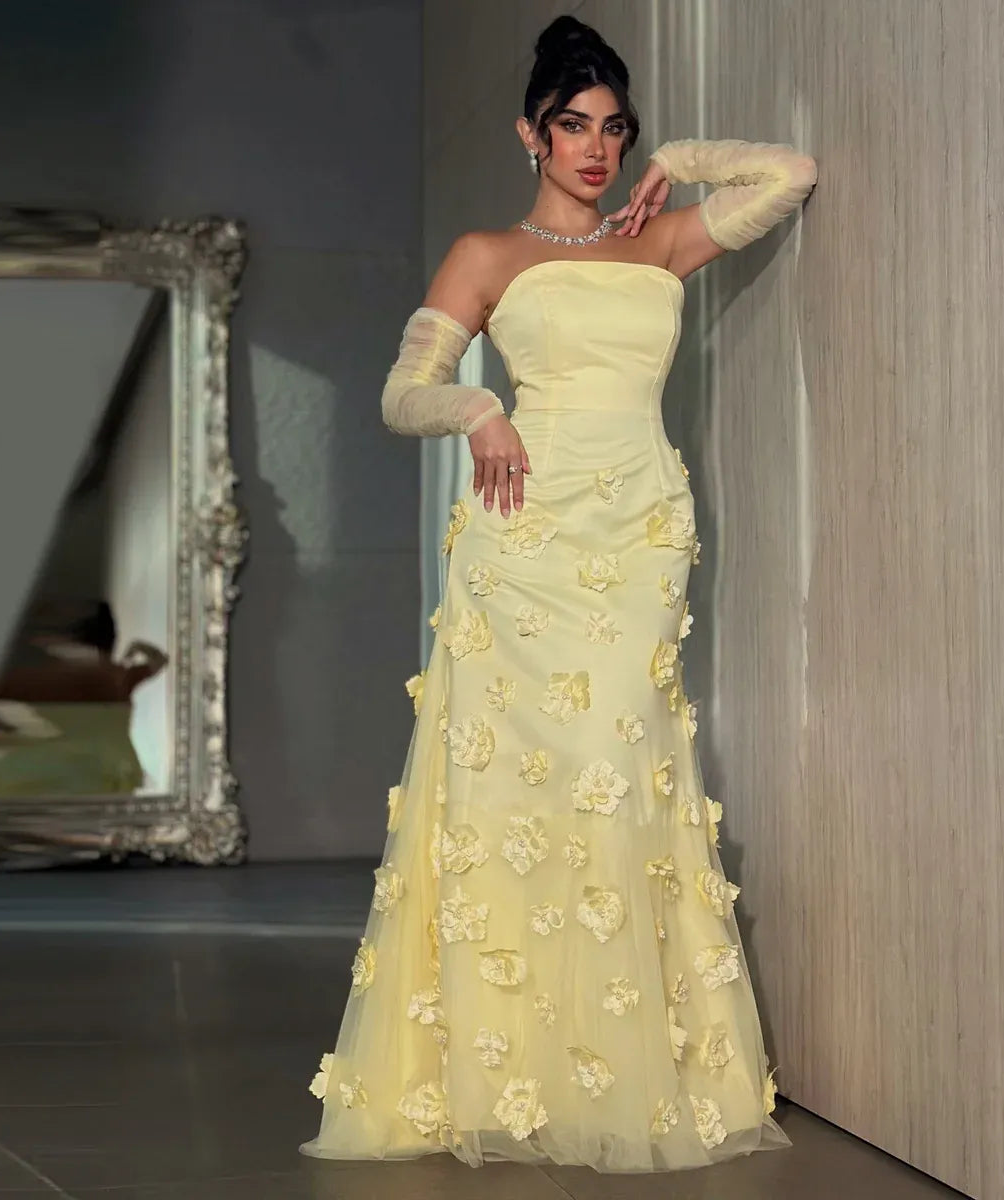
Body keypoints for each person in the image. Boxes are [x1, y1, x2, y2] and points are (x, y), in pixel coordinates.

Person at [300, 13, 817, 1173]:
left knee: (615, 762)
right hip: (523, 534)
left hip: (638, 534)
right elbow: (402, 391)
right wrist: (480, 409)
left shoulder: (662, 241)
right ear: (529, 133)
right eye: (573, 126)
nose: (597, 149)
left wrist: (681, 159)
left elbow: (791, 173)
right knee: (514, 785)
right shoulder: (487, 254)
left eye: (614, 129)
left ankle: (618, 1066)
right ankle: (511, 1071)